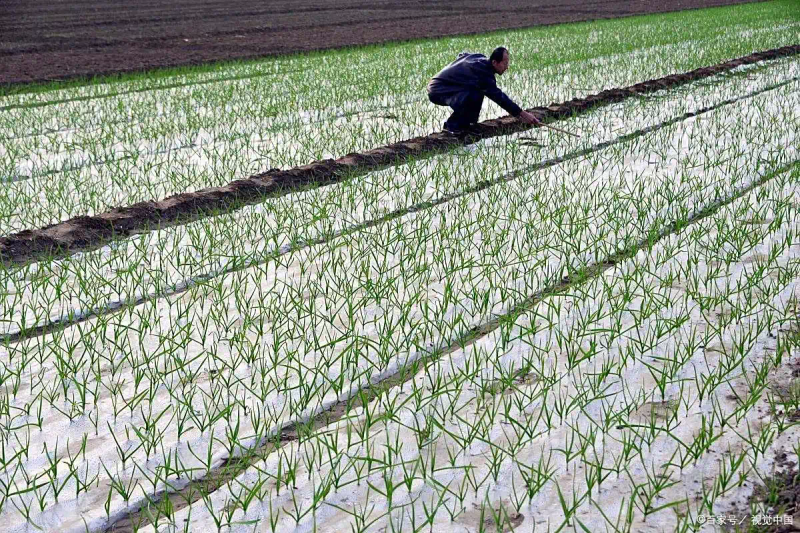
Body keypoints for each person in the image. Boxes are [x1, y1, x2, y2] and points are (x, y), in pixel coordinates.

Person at [427, 47, 540, 135]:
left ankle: (468, 124)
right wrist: (523, 114)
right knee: (474, 94)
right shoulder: (483, 74)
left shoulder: (481, 59)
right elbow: (500, 98)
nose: (507, 67)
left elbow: (463, 54)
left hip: (447, 87)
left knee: (476, 91)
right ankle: (452, 127)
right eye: (505, 64)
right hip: (438, 91)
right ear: (495, 62)